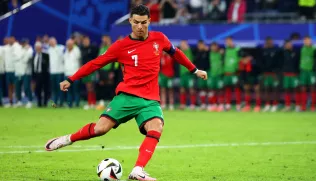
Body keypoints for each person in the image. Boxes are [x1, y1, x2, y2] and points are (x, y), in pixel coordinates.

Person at [44, 5, 207, 181]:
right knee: (100, 129)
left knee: (156, 126)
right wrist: (71, 79)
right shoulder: (120, 46)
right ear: (130, 21)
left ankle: (138, 170)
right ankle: (68, 139)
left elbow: (177, 54)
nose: (140, 26)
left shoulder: (159, 39)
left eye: (143, 23)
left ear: (149, 21)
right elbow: (96, 63)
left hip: (150, 99)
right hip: (126, 97)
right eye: (136, 22)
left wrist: (194, 70)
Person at [259, 37, 281, 112]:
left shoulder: (277, 50)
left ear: (272, 42)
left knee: (275, 89)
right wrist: (263, 72)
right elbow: (261, 62)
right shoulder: (263, 51)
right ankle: (267, 104)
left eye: (270, 41)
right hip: (266, 74)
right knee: (266, 89)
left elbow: (279, 62)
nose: (269, 43)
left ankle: (275, 105)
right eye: (267, 42)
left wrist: (276, 72)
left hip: (274, 74)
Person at [299, 36, 316, 111]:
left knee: (312, 88)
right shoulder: (302, 49)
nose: (307, 42)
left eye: (308, 40)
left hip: (311, 71)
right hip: (303, 71)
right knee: (303, 88)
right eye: (305, 41)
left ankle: (313, 106)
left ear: (311, 41)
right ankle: (303, 106)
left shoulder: (314, 49)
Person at [14, 38, 33, 108]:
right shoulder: (18, 49)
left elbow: (26, 59)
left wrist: (25, 51)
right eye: (22, 43)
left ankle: (30, 101)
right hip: (18, 71)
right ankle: (19, 101)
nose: (23, 44)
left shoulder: (30, 49)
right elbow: (16, 57)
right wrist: (22, 56)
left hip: (26, 72)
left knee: (26, 87)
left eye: (24, 43)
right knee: (17, 87)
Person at [33, 42, 50, 107]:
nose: (38, 49)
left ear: (41, 48)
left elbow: (48, 65)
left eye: (39, 47)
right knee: (38, 90)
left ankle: (45, 103)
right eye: (36, 48)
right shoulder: (34, 56)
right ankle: (39, 103)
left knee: (45, 89)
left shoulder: (46, 55)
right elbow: (33, 67)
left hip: (45, 75)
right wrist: (33, 77)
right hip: (37, 75)